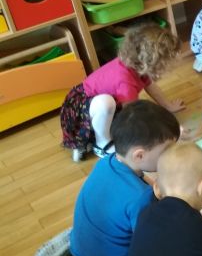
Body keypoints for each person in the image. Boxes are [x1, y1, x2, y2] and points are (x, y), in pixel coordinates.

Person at [69, 100, 180, 256]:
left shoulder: (108, 161)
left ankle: (83, 238)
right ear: (139, 155)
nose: (172, 156)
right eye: (167, 151)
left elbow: (142, 181)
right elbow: (151, 242)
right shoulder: (140, 198)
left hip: (81, 247)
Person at [60, 24, 184, 162]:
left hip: (98, 107)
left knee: (111, 106)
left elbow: (151, 86)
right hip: (80, 110)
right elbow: (133, 116)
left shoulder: (136, 65)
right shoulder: (125, 82)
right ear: (152, 61)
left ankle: (87, 141)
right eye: (166, 62)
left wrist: (168, 106)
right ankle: (101, 144)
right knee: (107, 104)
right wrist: (164, 132)